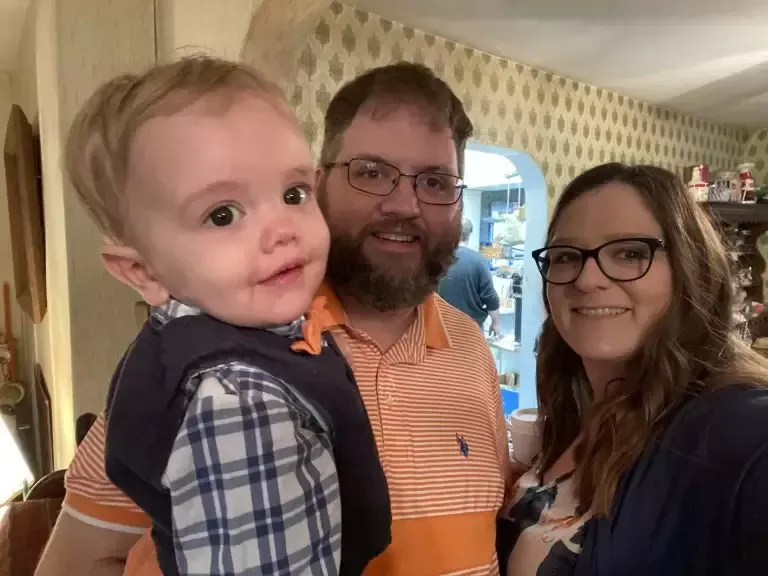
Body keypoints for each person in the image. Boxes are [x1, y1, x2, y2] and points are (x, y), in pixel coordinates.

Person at [36, 61, 509, 576]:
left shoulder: (470, 347)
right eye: (371, 172)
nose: (405, 204)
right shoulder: (207, 367)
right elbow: (71, 564)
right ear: (324, 181)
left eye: (437, 182)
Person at [497, 163, 768, 575]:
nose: (587, 279)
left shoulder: (731, 427)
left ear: (689, 268)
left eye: (630, 253)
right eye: (567, 256)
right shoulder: (575, 411)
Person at [438, 218, 502, 335]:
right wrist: (496, 323)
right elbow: (490, 296)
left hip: (440, 329)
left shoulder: (438, 260)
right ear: (469, 234)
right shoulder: (478, 261)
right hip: (471, 331)